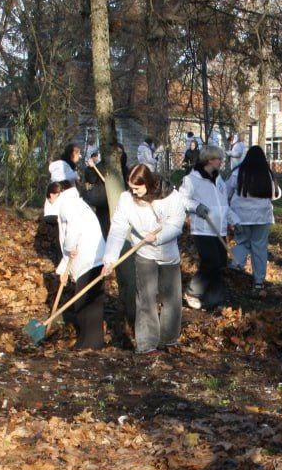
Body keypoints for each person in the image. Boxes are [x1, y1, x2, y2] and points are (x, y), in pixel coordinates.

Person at [107, 165, 186, 353]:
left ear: (148, 183)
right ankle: (147, 344)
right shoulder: (126, 199)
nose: (133, 192)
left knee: (171, 298)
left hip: (168, 254)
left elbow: (177, 224)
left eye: (137, 188)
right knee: (145, 299)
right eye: (131, 188)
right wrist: (109, 258)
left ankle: (169, 339)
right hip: (144, 254)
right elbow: (118, 228)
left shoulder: (170, 196)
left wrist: (158, 238)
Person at [46, 180, 108, 350]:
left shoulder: (67, 204)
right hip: (95, 256)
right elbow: (69, 245)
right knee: (93, 301)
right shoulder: (76, 202)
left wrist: (70, 246)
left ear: (52, 196)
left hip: (88, 258)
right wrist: (63, 271)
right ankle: (93, 342)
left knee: (84, 303)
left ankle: (88, 344)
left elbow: (71, 233)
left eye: (49, 200)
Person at [179, 146, 232, 311]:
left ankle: (213, 300)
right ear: (209, 160)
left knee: (220, 263)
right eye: (219, 159)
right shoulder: (192, 179)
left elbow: (224, 205)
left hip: (219, 229)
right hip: (203, 229)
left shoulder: (219, 180)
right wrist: (196, 207)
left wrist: (234, 221)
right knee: (211, 262)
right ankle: (192, 292)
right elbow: (181, 199)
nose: (221, 162)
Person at [226, 145, 281, 295]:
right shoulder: (267, 174)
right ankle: (258, 282)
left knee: (242, 243)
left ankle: (235, 266)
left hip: (240, 217)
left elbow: (226, 192)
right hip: (262, 217)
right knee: (259, 248)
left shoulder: (237, 173)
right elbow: (275, 194)